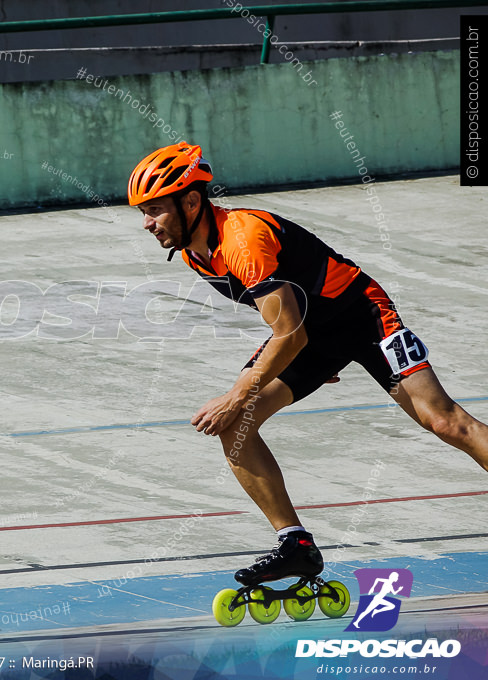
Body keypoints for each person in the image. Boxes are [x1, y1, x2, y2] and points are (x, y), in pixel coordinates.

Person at [127, 142, 488, 586]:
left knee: (445, 422)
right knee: (234, 426)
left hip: (362, 317)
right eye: (143, 212)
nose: (147, 223)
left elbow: (288, 334)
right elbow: (287, 326)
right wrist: (299, 363)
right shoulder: (191, 251)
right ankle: (295, 545)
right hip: (309, 333)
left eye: (156, 210)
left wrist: (241, 388)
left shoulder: (243, 239)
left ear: (191, 201)